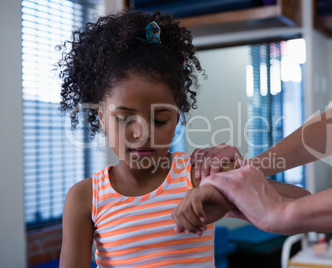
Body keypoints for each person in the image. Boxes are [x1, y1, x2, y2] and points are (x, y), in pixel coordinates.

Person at [58, 10, 309, 267]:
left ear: (177, 118)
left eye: (160, 120)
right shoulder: (85, 198)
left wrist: (232, 188)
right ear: (101, 116)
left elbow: (305, 206)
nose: (141, 134)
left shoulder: (199, 174)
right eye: (124, 118)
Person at [172, 25, 332, 236]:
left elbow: (303, 198)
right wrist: (246, 172)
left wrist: (283, 212)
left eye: (160, 120)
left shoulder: (189, 173)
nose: (139, 133)